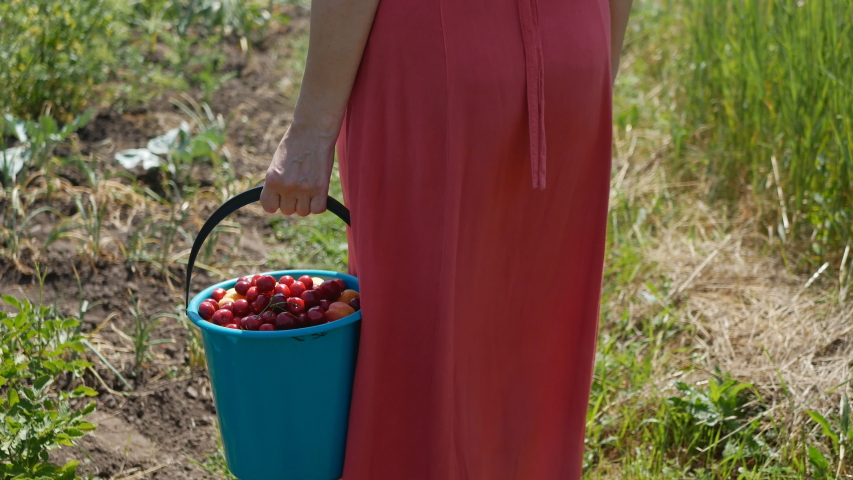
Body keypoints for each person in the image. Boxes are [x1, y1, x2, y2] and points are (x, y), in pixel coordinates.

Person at [260, 0, 633, 477]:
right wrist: (595, 64)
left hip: (437, 60)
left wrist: (310, 132)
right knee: (537, 331)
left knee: (418, 338)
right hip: (577, 47)